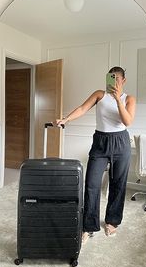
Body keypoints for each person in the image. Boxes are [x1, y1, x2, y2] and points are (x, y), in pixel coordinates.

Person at [56, 66, 136, 244]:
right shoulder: (100, 94)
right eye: (110, 77)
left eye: (116, 78)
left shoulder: (128, 98)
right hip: (100, 142)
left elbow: (128, 121)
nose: (113, 81)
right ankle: (89, 226)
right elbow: (82, 108)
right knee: (91, 184)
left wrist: (117, 100)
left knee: (118, 184)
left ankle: (112, 221)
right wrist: (66, 119)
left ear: (123, 80)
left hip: (121, 142)